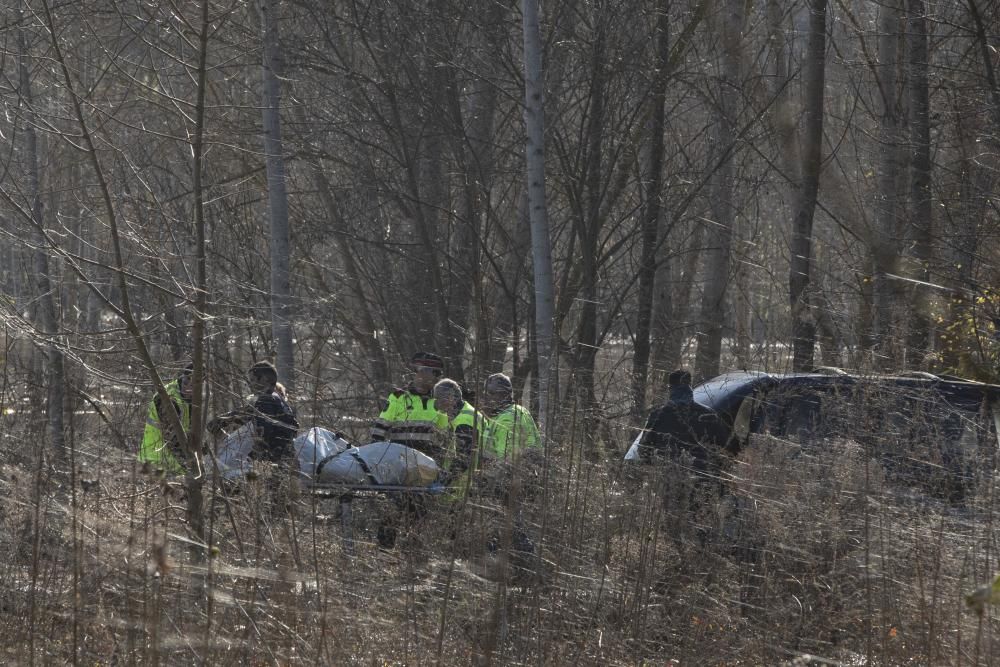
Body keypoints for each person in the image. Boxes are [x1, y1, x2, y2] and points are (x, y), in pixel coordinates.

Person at [207, 361, 300, 466]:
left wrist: (251, 457)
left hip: (272, 463)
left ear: (264, 379)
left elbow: (263, 435)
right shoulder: (280, 401)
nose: (250, 384)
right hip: (288, 461)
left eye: (252, 380)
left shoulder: (265, 400)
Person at [370, 351, 450, 461]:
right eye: (435, 373)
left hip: (426, 463)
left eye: (439, 374)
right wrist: (374, 457)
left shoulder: (438, 401)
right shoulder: (398, 397)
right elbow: (379, 430)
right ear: (421, 372)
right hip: (400, 461)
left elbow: (445, 435)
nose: (438, 378)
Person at [138, 363, 193, 474]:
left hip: (173, 465)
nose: (188, 387)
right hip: (156, 463)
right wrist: (191, 465)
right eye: (186, 381)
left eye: (193, 384)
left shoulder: (191, 401)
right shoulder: (168, 399)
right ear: (182, 377)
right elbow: (173, 439)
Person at [432, 378, 487, 488]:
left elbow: (464, 459)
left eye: (438, 399)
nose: (436, 403)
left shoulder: (466, 420)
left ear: (451, 398)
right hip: (460, 483)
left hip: (463, 486)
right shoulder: (460, 415)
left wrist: (444, 482)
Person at [480, 372, 540, 461]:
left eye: (492, 393)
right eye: (485, 393)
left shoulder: (507, 419)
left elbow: (507, 463)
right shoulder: (518, 410)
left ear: (505, 394)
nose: (487, 397)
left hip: (505, 473)